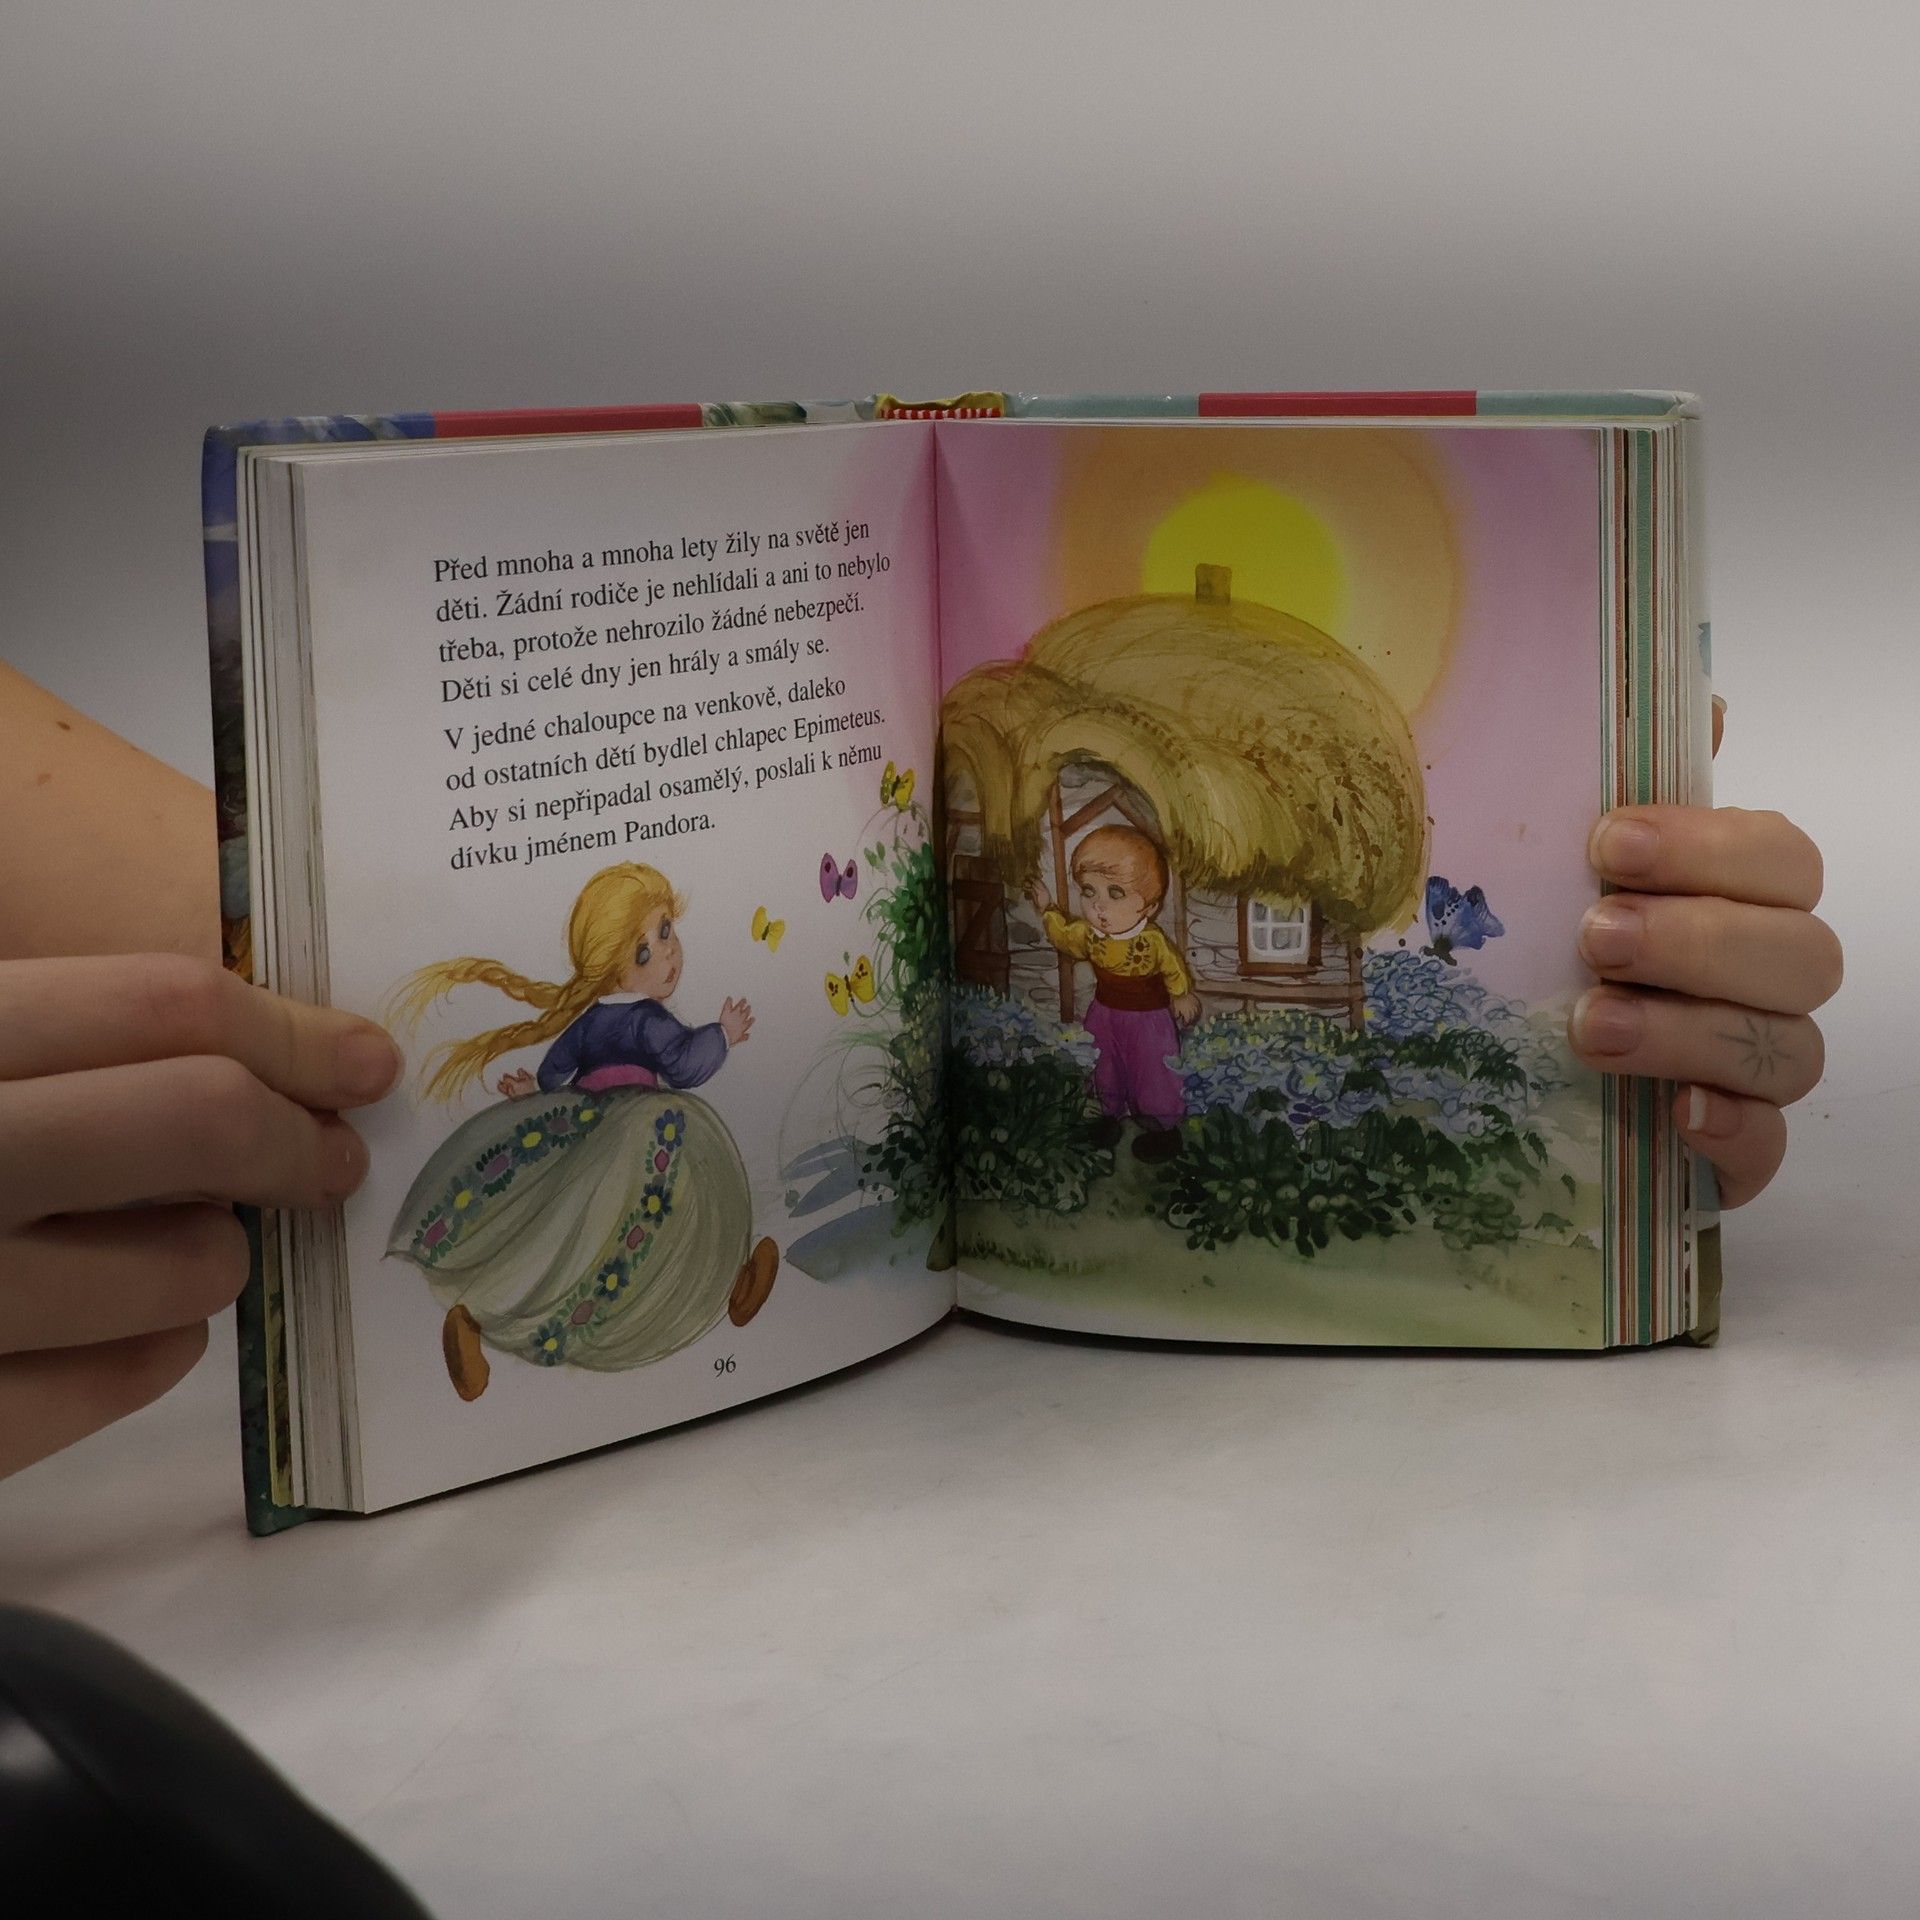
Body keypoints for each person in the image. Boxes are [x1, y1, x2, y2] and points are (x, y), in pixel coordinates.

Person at [0, 667, 1841, 1476]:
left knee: (1131, 1092)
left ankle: (647, 1287)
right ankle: (524, 1310)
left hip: (1123, 1042)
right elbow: (629, 1045)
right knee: (605, 1213)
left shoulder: (1147, 936)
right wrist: (703, 1043)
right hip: (689, 1124)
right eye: (655, 947)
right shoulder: (646, 1019)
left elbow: (280, 1008)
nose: (667, 966)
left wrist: (1571, 983)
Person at [384, 861, 779, 1401]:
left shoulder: (590, 1021)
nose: (667, 953)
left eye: (665, 931)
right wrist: (723, 1034)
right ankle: (730, 1282)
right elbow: (685, 1066)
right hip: (646, 1127)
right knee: (674, 1210)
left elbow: (554, 1071)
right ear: (614, 972)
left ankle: (481, 1318)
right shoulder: (648, 1020)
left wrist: (538, 1095)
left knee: (559, 1225)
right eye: (644, 952)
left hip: (584, 1122)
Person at [1028, 822, 1201, 1163]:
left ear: (1149, 906)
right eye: (1089, 892)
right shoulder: (1089, 934)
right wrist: (1047, 909)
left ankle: (1162, 1130)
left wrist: (1181, 994)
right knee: (1104, 1065)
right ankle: (1107, 1118)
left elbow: (1173, 967)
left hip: (1148, 1020)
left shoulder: (1151, 940)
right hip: (1104, 1014)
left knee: (1152, 1070)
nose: (1099, 907)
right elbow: (1065, 937)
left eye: (1115, 893)